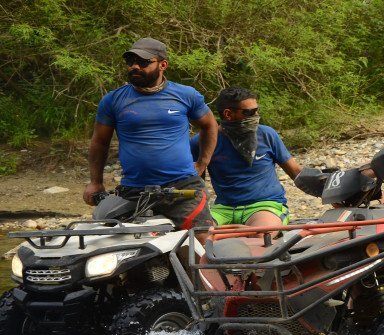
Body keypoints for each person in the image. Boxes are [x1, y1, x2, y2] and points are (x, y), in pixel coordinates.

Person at [83, 37, 217, 240]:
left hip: (182, 187)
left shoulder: (186, 95)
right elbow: (99, 142)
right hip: (135, 190)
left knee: (202, 239)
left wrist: (202, 162)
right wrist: (95, 182)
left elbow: (209, 125)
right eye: (130, 62)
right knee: (111, 238)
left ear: (163, 65)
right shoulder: (113, 100)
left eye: (143, 62)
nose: (134, 67)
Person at [190, 86, 302, 236]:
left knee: (262, 234)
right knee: (197, 235)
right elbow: (197, 185)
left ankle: (232, 234)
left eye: (256, 110)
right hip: (224, 209)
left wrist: (330, 194)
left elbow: (296, 172)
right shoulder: (202, 141)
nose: (257, 115)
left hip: (265, 206)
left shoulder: (267, 134)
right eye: (249, 112)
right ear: (228, 114)